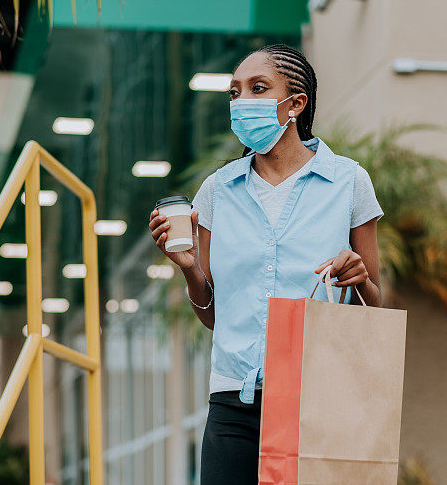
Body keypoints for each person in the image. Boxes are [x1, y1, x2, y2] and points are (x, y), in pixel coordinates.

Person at [148, 43, 384, 484]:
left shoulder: (349, 181)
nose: (242, 102)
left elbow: (375, 305)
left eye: (258, 89)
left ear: (295, 103)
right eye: (235, 93)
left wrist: (360, 279)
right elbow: (213, 317)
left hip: (318, 399)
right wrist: (189, 269)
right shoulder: (217, 191)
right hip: (233, 405)